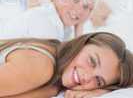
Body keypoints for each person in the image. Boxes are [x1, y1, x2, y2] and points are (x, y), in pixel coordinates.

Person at [0, 32, 132, 98]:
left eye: (98, 81)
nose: (87, 76)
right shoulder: (42, 65)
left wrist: (101, 92)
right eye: (92, 61)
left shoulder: (55, 83)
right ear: (83, 43)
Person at [0, 0, 98, 41]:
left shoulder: (65, 27)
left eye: (86, 7)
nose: (80, 10)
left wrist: (79, 28)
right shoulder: (43, 20)